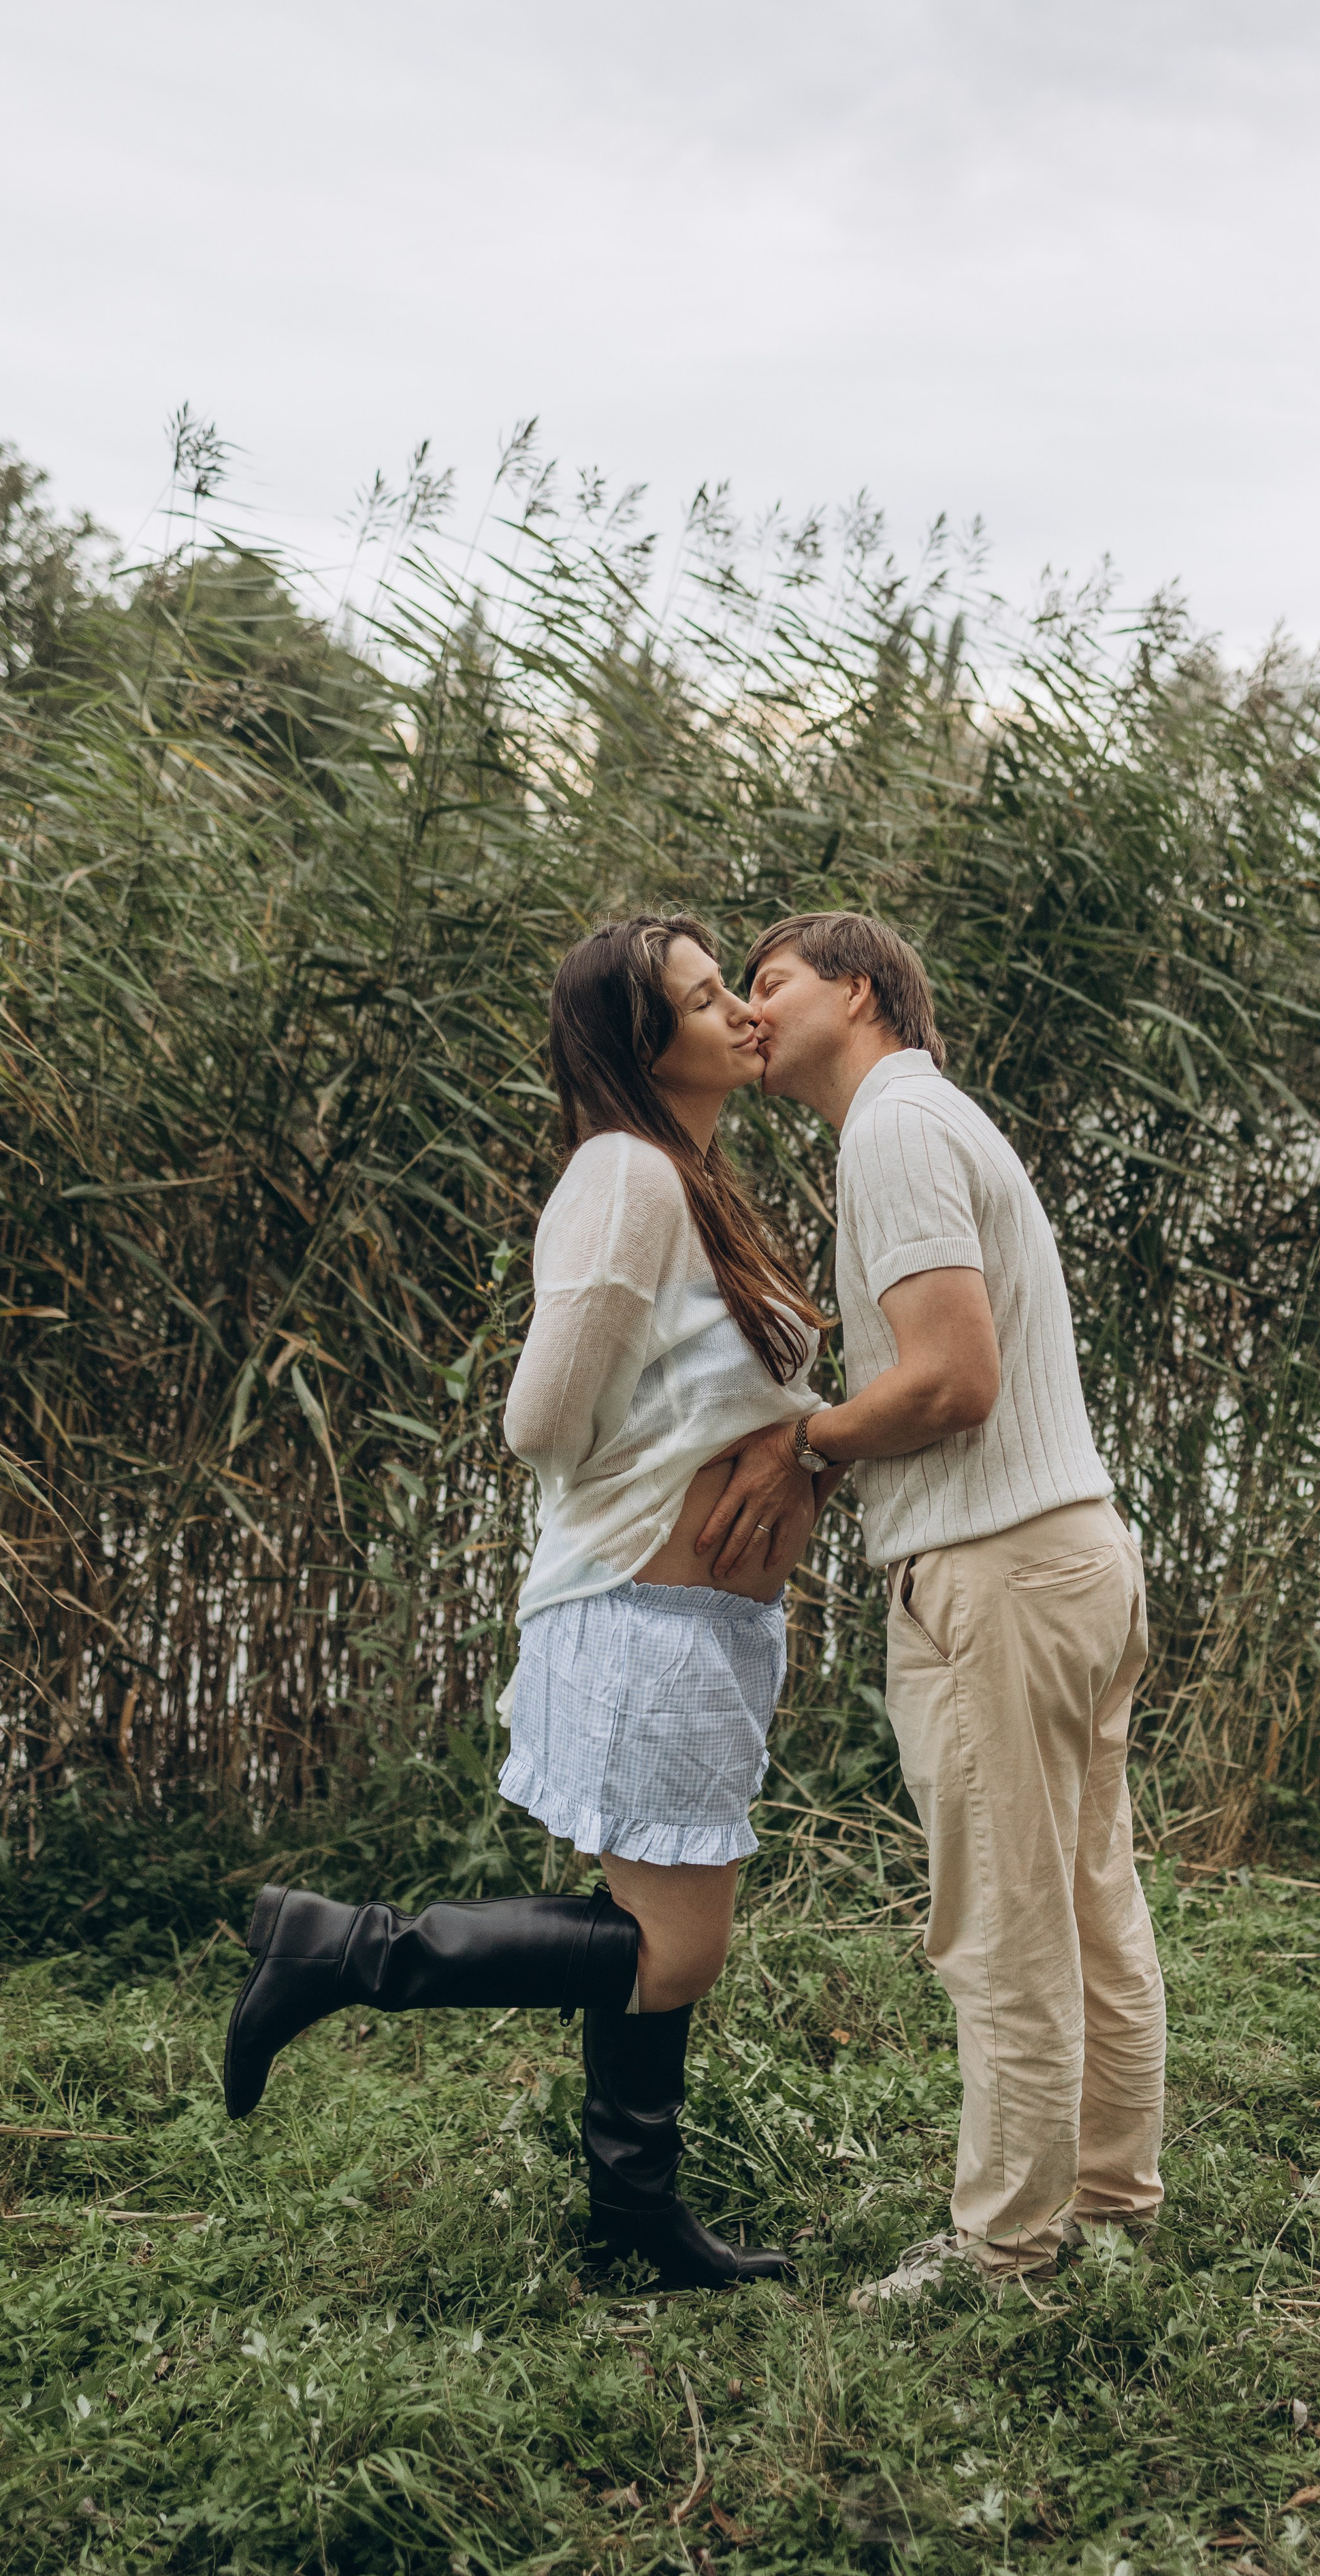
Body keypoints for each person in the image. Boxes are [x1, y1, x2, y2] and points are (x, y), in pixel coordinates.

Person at [223, 914, 838, 2291]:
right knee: (675, 1951)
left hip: (697, 1626)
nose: (739, 1010)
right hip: (642, 1613)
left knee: (661, 1948)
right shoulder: (623, 1175)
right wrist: (710, 1454)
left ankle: (629, 2222)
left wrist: (794, 1440)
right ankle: (348, 1950)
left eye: (729, 985)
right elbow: (538, 1420)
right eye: (699, 999)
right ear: (639, 1045)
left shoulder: (685, 1174)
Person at [698, 911, 1165, 2299]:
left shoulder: (889, 1130)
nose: (747, 1009)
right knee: (1085, 1897)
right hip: (1071, 1553)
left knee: (1001, 1920)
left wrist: (808, 1444)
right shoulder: (933, 1119)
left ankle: (1005, 2249)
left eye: (768, 981)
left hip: (997, 1569)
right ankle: (1110, 2200)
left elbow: (952, 1379)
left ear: (857, 991)